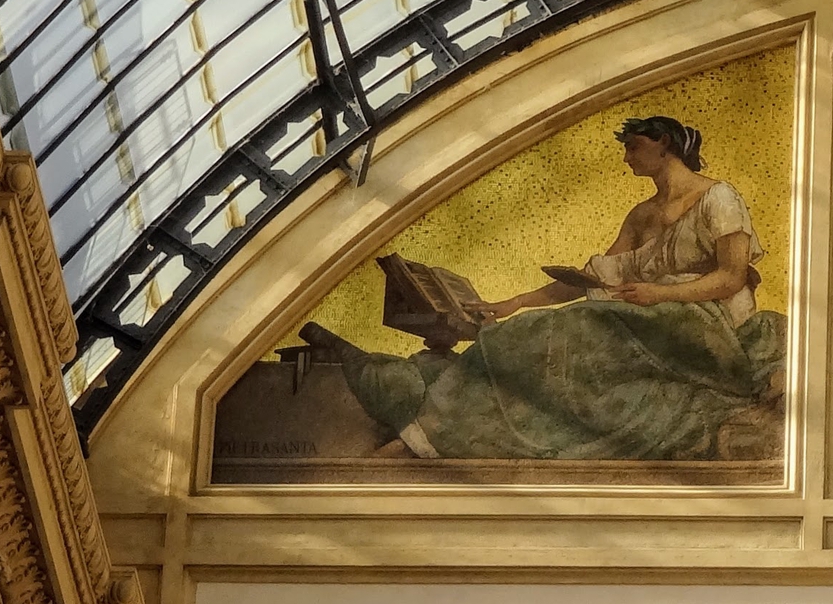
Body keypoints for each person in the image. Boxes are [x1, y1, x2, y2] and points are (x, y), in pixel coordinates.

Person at [310, 116, 787, 461]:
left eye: (633, 147)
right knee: (526, 335)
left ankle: (424, 440)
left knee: (573, 332)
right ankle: (432, 436)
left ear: (664, 144)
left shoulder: (718, 198)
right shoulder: (641, 216)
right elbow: (592, 281)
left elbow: (732, 278)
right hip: (649, 316)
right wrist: (513, 303)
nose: (625, 157)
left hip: (707, 323)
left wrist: (659, 294)